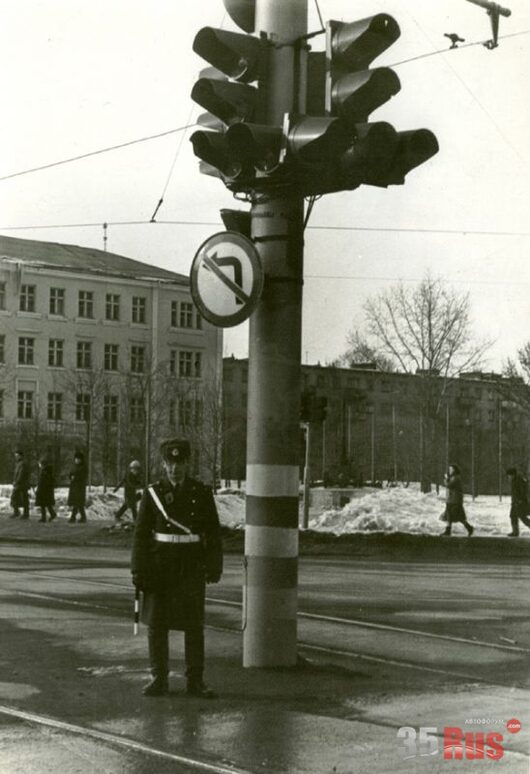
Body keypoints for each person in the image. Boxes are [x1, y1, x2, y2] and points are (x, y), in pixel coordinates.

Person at [131, 438, 223, 698]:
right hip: (160, 566)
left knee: (193, 625)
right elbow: (140, 535)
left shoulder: (200, 493)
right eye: (170, 464)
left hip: (191, 565)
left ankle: (196, 680)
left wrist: (214, 565)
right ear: (163, 465)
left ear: (187, 463)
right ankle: (158, 678)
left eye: (179, 463)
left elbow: (213, 532)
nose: (175, 469)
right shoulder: (153, 494)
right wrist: (138, 569)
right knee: (157, 625)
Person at [441, 463, 474, 536]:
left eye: (451, 469)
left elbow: (449, 485)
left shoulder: (456, 478)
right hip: (452, 500)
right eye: (449, 469)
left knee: (456, 515)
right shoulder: (454, 478)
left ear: (454, 470)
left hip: (455, 500)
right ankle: (449, 530)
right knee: (451, 515)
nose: (449, 471)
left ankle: (468, 528)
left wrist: (446, 479)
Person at [505, 467, 530, 537]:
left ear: (513, 474)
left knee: (522, 517)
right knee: (513, 516)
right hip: (515, 502)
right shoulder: (514, 480)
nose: (508, 477)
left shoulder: (519, 480)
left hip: (520, 503)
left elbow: (523, 492)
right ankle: (515, 532)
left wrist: (521, 500)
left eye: (509, 475)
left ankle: (515, 532)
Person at [68, 451, 88, 523]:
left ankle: (73, 517)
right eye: (76, 459)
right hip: (74, 487)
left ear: (81, 459)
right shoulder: (74, 466)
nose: (77, 460)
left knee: (77, 502)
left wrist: (75, 477)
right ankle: (83, 517)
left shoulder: (83, 467)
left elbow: (83, 477)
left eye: (78, 459)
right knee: (79, 504)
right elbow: (70, 473)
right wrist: (71, 477)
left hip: (80, 487)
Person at [10, 449, 31, 520]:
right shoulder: (18, 463)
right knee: (17, 498)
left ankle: (25, 514)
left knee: (22, 498)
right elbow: (17, 474)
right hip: (19, 484)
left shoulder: (23, 463)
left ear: (21, 456)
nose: (16, 457)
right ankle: (18, 512)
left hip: (22, 484)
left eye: (17, 455)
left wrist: (16, 481)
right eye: (15, 456)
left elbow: (21, 474)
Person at [35, 456, 57, 523]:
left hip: (43, 490)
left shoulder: (44, 472)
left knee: (43, 505)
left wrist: (38, 490)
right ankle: (52, 514)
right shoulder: (48, 471)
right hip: (47, 491)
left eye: (39, 463)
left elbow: (42, 482)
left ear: (42, 464)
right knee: (47, 504)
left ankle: (43, 517)